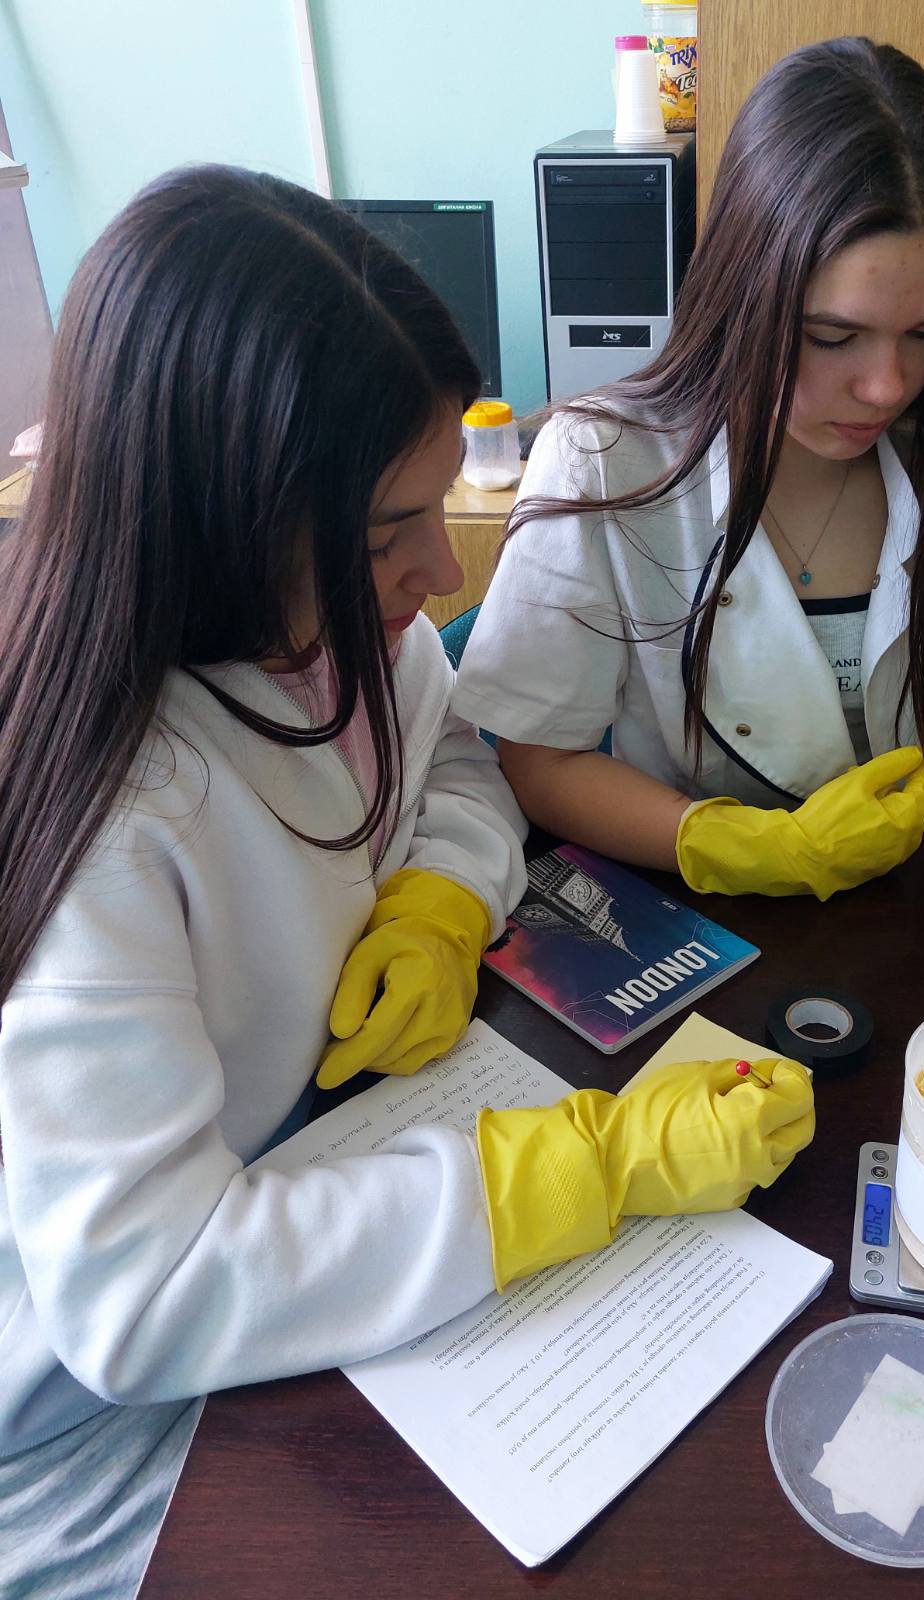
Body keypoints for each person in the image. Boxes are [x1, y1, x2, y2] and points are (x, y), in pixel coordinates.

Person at [0, 166, 814, 1596]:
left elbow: (455, 764)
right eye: (389, 535)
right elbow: (146, 1298)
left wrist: (440, 899)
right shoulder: (108, 826)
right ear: (218, 514)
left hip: (325, 1165)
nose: (440, 572)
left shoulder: (327, 634)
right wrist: (575, 1170)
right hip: (116, 1429)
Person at [453, 38, 924, 899]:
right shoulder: (604, 465)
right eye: (832, 336)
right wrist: (739, 845)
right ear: (743, 291)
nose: (887, 384)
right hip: (720, 925)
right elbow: (541, 761)